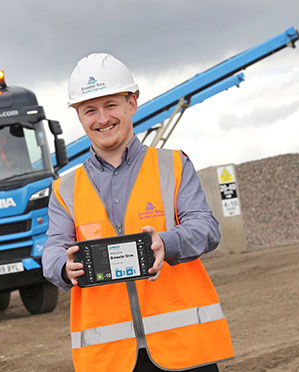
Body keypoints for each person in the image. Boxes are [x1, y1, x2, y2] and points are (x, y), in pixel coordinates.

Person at [42, 53, 234, 372]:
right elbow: (52, 250)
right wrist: (64, 266)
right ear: (79, 116)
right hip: (110, 358)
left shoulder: (173, 165)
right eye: (90, 110)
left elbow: (206, 228)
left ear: (132, 103)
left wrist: (167, 243)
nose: (102, 118)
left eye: (111, 105)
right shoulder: (64, 188)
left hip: (183, 349)